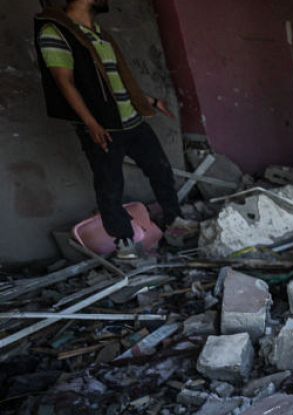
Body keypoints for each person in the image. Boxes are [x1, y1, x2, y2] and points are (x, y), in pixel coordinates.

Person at [35, 0, 190, 260]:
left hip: (132, 120)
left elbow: (117, 79)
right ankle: (125, 242)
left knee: (160, 169)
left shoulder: (98, 32)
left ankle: (175, 221)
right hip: (103, 127)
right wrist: (91, 123)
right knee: (110, 185)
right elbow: (65, 82)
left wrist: (149, 101)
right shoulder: (56, 31)